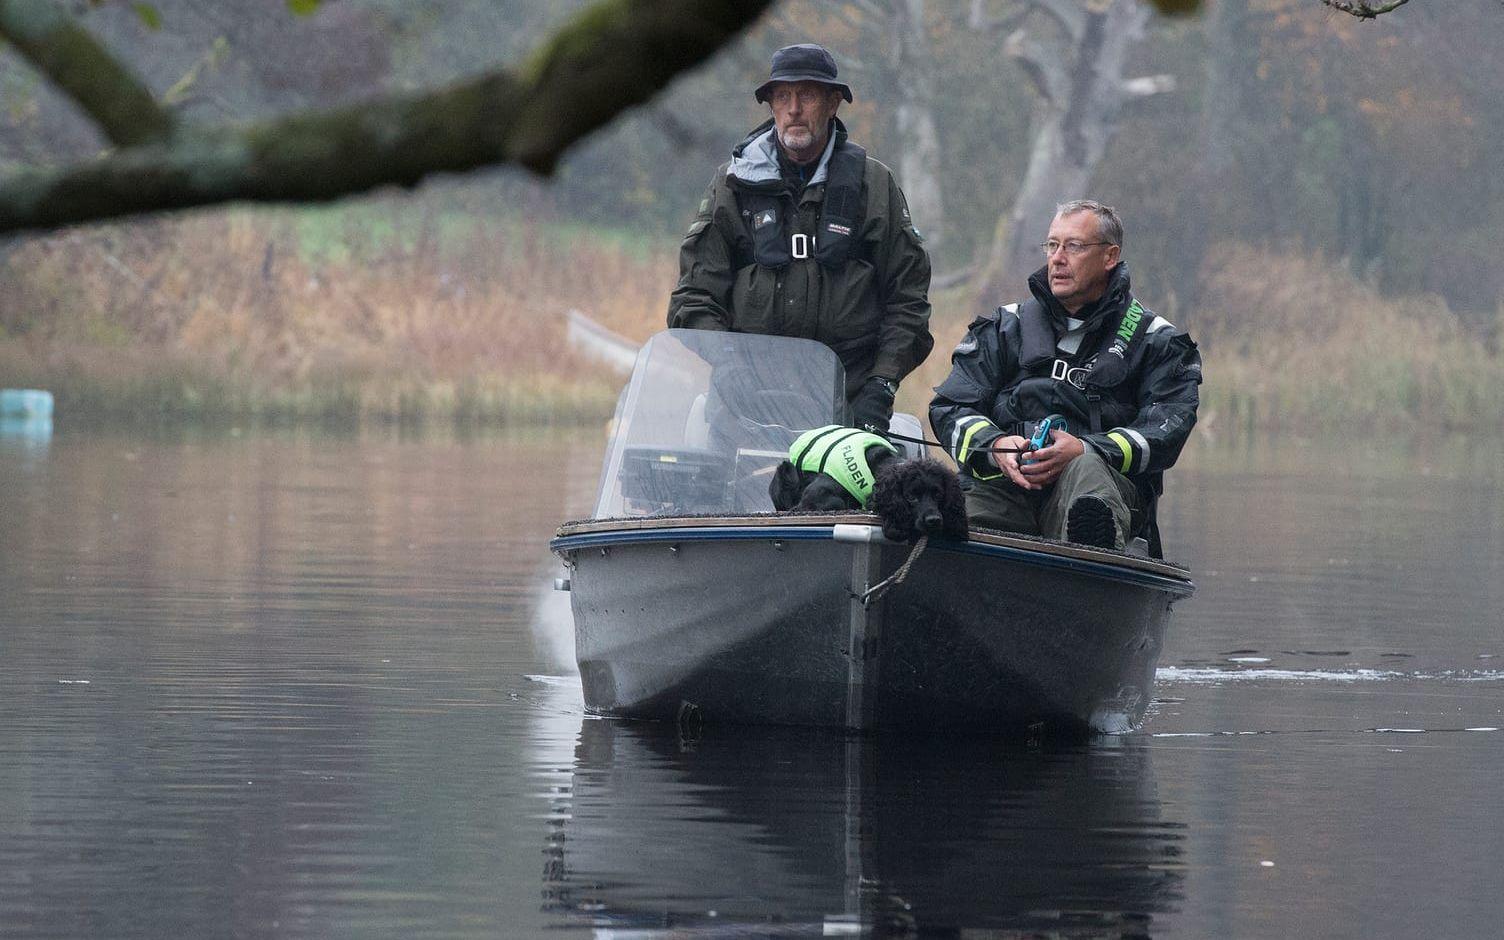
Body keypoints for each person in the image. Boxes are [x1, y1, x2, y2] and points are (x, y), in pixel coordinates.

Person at [667, 43, 933, 435]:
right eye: (782, 96)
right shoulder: (732, 184)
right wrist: (728, 362)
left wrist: (882, 384)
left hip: (849, 409)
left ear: (833, 103)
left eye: (807, 95)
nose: (793, 109)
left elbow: (908, 302)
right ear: (771, 105)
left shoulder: (874, 185)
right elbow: (693, 299)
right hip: (743, 408)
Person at [928, 200, 1201, 554]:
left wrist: (1086, 448)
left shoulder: (1158, 342)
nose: (1057, 258)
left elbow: (1166, 432)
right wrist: (995, 446)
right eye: (1052, 245)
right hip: (1005, 487)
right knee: (936, 519)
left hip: (1102, 494)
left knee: (1085, 469)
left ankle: (1090, 561)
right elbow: (950, 407)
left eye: (1073, 246)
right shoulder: (1002, 328)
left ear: (1109, 256)